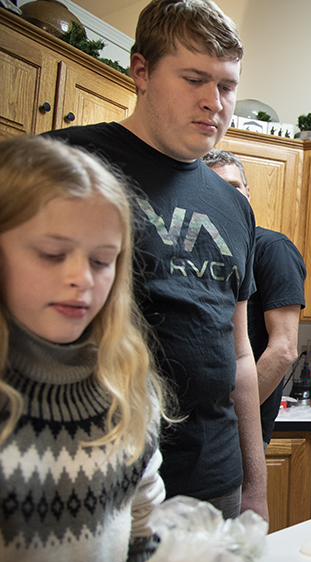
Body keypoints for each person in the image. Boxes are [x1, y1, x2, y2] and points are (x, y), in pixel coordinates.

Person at [46, 0, 267, 521]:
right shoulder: (62, 164)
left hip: (212, 481)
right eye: (194, 79)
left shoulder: (234, 206)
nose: (214, 102)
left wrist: (254, 488)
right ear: (140, 70)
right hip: (89, 476)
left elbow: (239, 357)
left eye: (227, 85)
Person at [0, 136, 171, 562]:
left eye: (102, 261)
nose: (82, 278)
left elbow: (143, 520)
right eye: (52, 254)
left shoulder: (126, 385)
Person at [203, 149, 305, 448]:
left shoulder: (271, 248)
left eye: (233, 187)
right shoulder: (203, 254)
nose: (227, 196)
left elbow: (284, 349)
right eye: (214, 187)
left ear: (247, 193)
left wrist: (228, 420)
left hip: (234, 431)